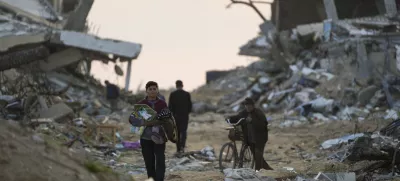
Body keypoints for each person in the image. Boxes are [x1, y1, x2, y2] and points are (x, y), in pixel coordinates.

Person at [129, 81, 170, 181]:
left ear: (157, 90)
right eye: (150, 89)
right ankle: (151, 178)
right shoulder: (141, 104)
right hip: (145, 137)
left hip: (159, 136)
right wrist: (143, 122)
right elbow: (132, 119)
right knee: (149, 161)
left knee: (160, 159)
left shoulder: (162, 103)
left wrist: (162, 120)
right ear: (146, 91)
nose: (152, 91)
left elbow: (168, 117)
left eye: (154, 89)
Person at [228, 97, 273, 171]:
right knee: (255, 154)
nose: (248, 107)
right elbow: (237, 117)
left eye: (249, 105)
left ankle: (257, 171)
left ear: (253, 106)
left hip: (260, 137)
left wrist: (252, 121)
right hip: (250, 137)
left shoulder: (258, 113)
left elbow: (264, 124)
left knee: (258, 153)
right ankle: (265, 166)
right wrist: (229, 118)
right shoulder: (244, 112)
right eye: (246, 105)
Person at [168, 80, 192, 153]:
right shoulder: (187, 94)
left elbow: (170, 107)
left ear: (176, 85)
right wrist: (187, 113)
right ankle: (182, 147)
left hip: (176, 117)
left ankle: (178, 149)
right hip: (184, 116)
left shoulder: (173, 94)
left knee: (177, 133)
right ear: (182, 85)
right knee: (184, 132)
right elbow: (190, 106)